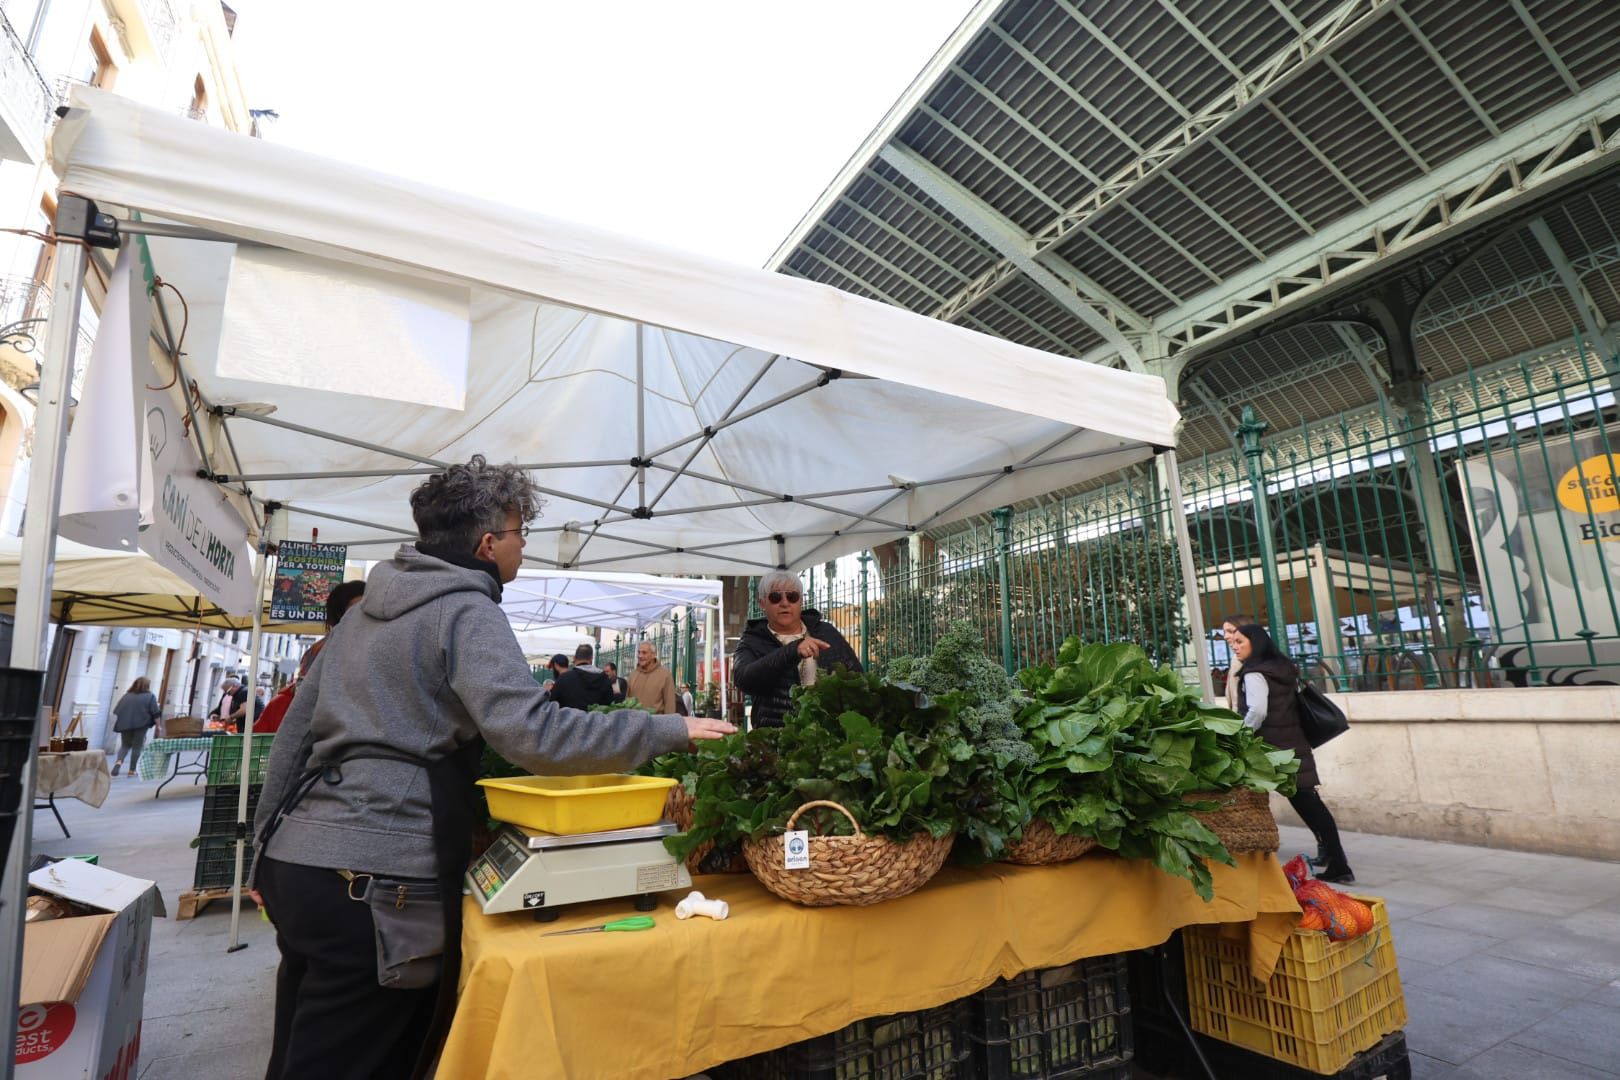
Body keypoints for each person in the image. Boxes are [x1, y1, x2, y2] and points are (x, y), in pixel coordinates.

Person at [251, 454, 733, 1079]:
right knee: (359, 1060)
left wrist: (262, 846)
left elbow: (294, 736)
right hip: (377, 879)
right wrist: (668, 729)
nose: (524, 546)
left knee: (300, 1048)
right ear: (487, 543)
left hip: (300, 864)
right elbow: (536, 734)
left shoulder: (363, 613)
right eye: (518, 533)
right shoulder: (467, 611)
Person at [1229, 622, 1354, 884]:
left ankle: (1337, 863)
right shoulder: (1282, 668)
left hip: (1273, 750)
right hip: (1294, 744)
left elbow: (1258, 711)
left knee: (1299, 805)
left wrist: (1239, 736)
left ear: (1256, 642)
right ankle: (1335, 861)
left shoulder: (1254, 673)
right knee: (1310, 804)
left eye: (1240, 641)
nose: (1234, 645)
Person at [732, 571, 860, 727]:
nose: (785, 603)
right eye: (775, 597)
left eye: (792, 597)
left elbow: (857, 677)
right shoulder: (753, 641)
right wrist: (791, 651)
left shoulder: (826, 632)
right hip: (778, 736)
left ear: (801, 601)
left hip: (828, 733)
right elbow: (743, 679)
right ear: (762, 603)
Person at [263, 582, 368, 736]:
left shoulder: (379, 645)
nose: (368, 612)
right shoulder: (320, 652)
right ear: (341, 613)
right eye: (359, 607)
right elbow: (306, 704)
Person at [109, 677, 161, 777]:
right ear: (147, 686)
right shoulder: (150, 696)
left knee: (125, 745)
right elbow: (156, 713)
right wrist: (158, 726)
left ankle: (118, 762)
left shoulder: (127, 696)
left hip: (125, 724)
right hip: (141, 725)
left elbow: (116, 710)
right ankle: (132, 770)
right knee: (137, 747)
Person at [550, 644, 615, 709]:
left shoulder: (563, 678)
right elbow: (609, 703)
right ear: (591, 658)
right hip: (595, 718)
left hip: (570, 718)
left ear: (574, 658)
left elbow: (553, 703)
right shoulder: (604, 678)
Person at [627, 640, 678, 715]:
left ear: (654, 655)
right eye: (639, 652)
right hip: (634, 724)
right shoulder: (633, 675)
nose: (640, 656)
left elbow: (670, 706)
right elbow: (627, 701)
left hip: (656, 724)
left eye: (644, 653)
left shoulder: (665, 675)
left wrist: (667, 725)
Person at [1221, 612, 1255, 713]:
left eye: (1230, 631)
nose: (1225, 637)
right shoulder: (1236, 658)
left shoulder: (1251, 659)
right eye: (1224, 632)